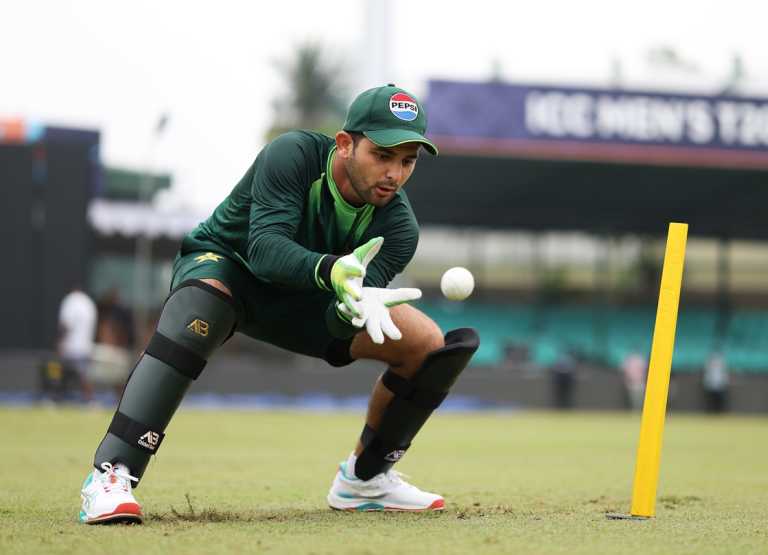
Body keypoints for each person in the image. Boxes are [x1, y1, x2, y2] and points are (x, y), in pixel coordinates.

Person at [79, 85, 479, 524]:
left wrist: (346, 313)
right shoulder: (294, 155)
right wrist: (331, 272)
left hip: (305, 301)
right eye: (382, 155)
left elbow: (335, 321)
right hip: (230, 268)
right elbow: (265, 250)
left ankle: (364, 480)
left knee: (426, 342)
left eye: (407, 161)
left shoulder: (400, 229)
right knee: (202, 305)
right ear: (345, 144)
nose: (394, 174)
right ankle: (110, 475)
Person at [57, 286, 98, 403]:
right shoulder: (88, 302)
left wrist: (60, 342)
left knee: (61, 373)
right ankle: (90, 401)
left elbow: (65, 325)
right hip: (85, 347)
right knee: (83, 376)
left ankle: (57, 398)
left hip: (71, 346)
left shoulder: (70, 301)